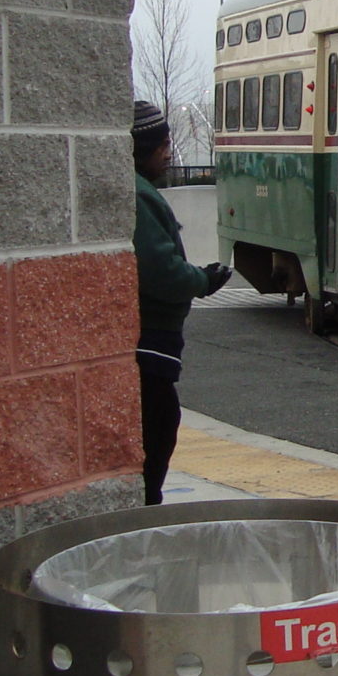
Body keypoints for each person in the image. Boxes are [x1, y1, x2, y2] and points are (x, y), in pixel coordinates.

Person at [131, 100, 230, 505]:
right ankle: (145, 513)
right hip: (151, 340)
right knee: (158, 425)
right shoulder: (140, 197)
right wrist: (202, 280)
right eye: (166, 145)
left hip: (147, 339)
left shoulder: (139, 192)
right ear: (151, 148)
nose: (170, 154)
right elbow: (161, 272)